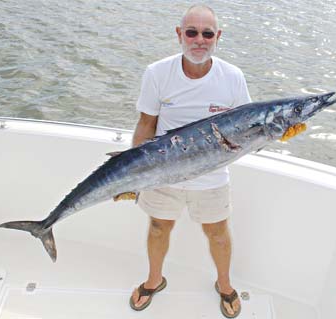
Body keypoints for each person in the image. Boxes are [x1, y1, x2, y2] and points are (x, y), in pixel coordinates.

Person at [129, 4, 251, 318]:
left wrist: (281, 133)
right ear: (179, 34)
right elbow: (146, 124)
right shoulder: (157, 72)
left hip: (211, 178)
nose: (199, 40)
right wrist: (133, 176)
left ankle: (224, 285)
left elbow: (250, 130)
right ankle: (154, 280)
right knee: (158, 227)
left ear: (217, 37)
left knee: (218, 233)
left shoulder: (233, 77)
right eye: (192, 32)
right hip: (161, 172)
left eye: (207, 33)